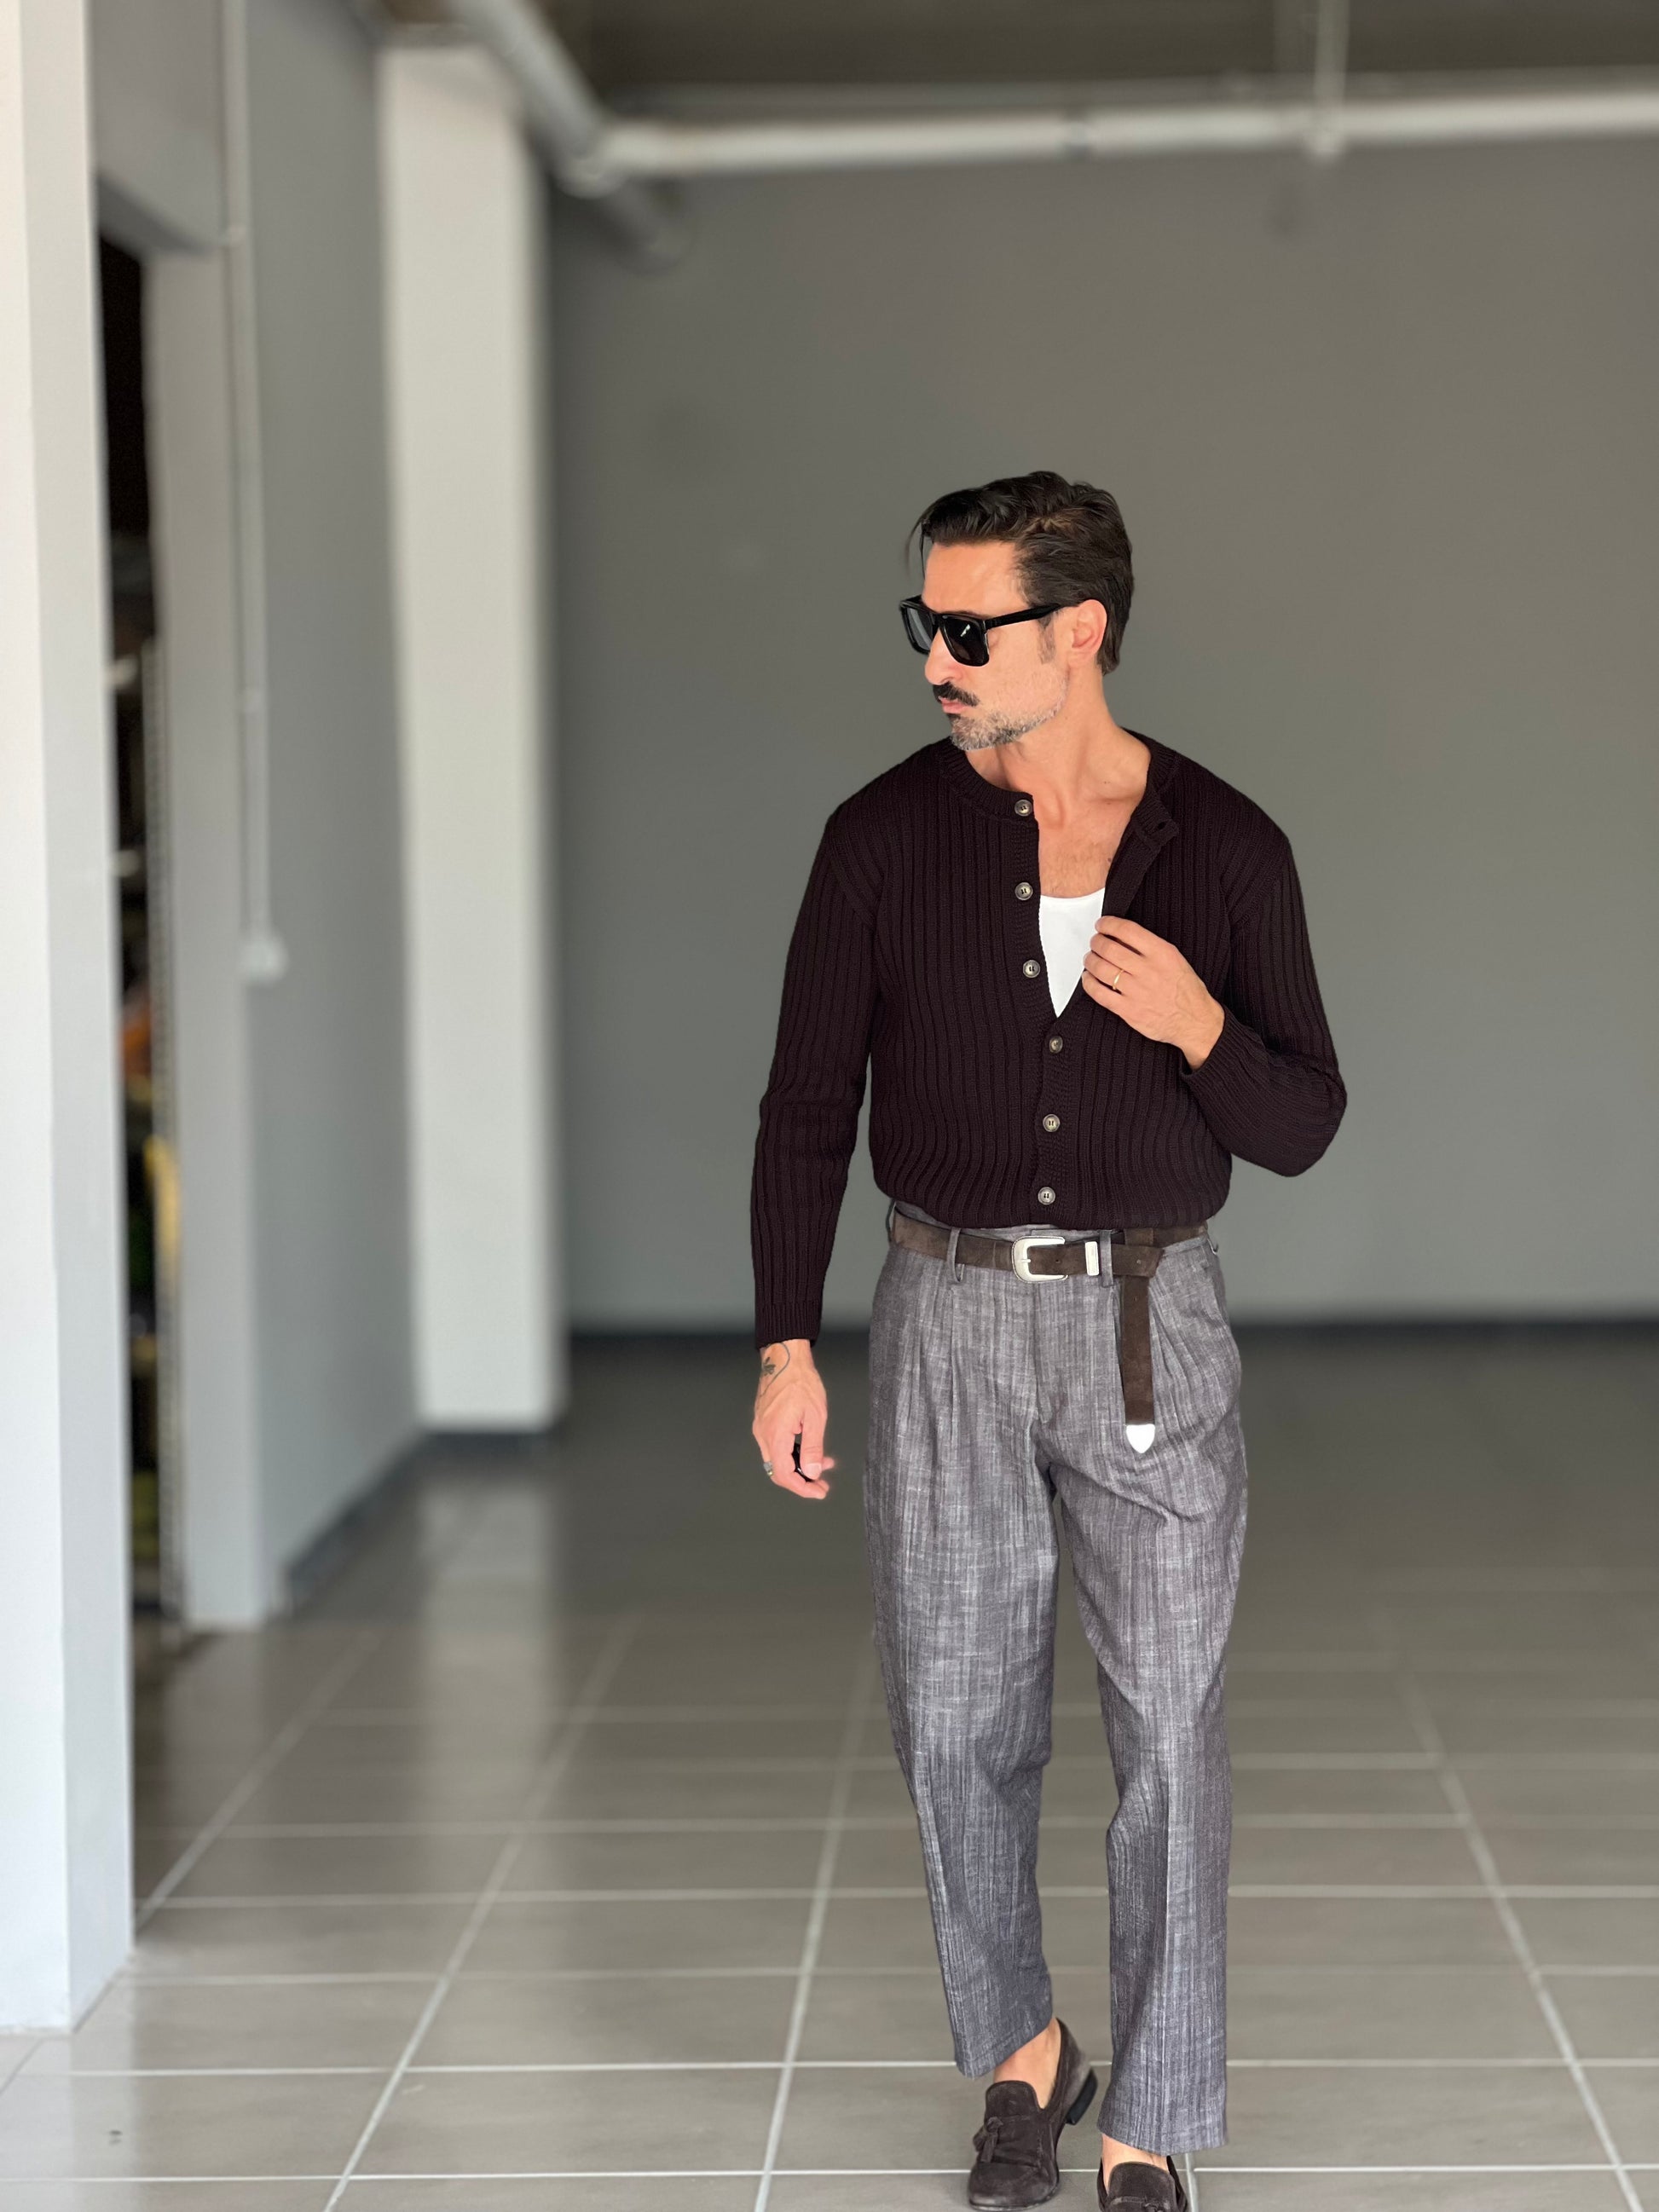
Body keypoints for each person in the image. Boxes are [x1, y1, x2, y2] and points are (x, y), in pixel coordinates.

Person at [749, 471, 1344, 2210]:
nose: (933, 658)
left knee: (1168, 1731)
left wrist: (1205, 1028)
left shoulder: (1226, 847)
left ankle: (1149, 2114)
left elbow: (1301, 1123)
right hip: (941, 1317)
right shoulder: (880, 837)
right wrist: (785, 1343)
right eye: (922, 623)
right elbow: (804, 1105)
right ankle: (1025, 2052)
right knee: (953, 1719)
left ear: (1077, 631)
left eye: (968, 629)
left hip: (1153, 1325)